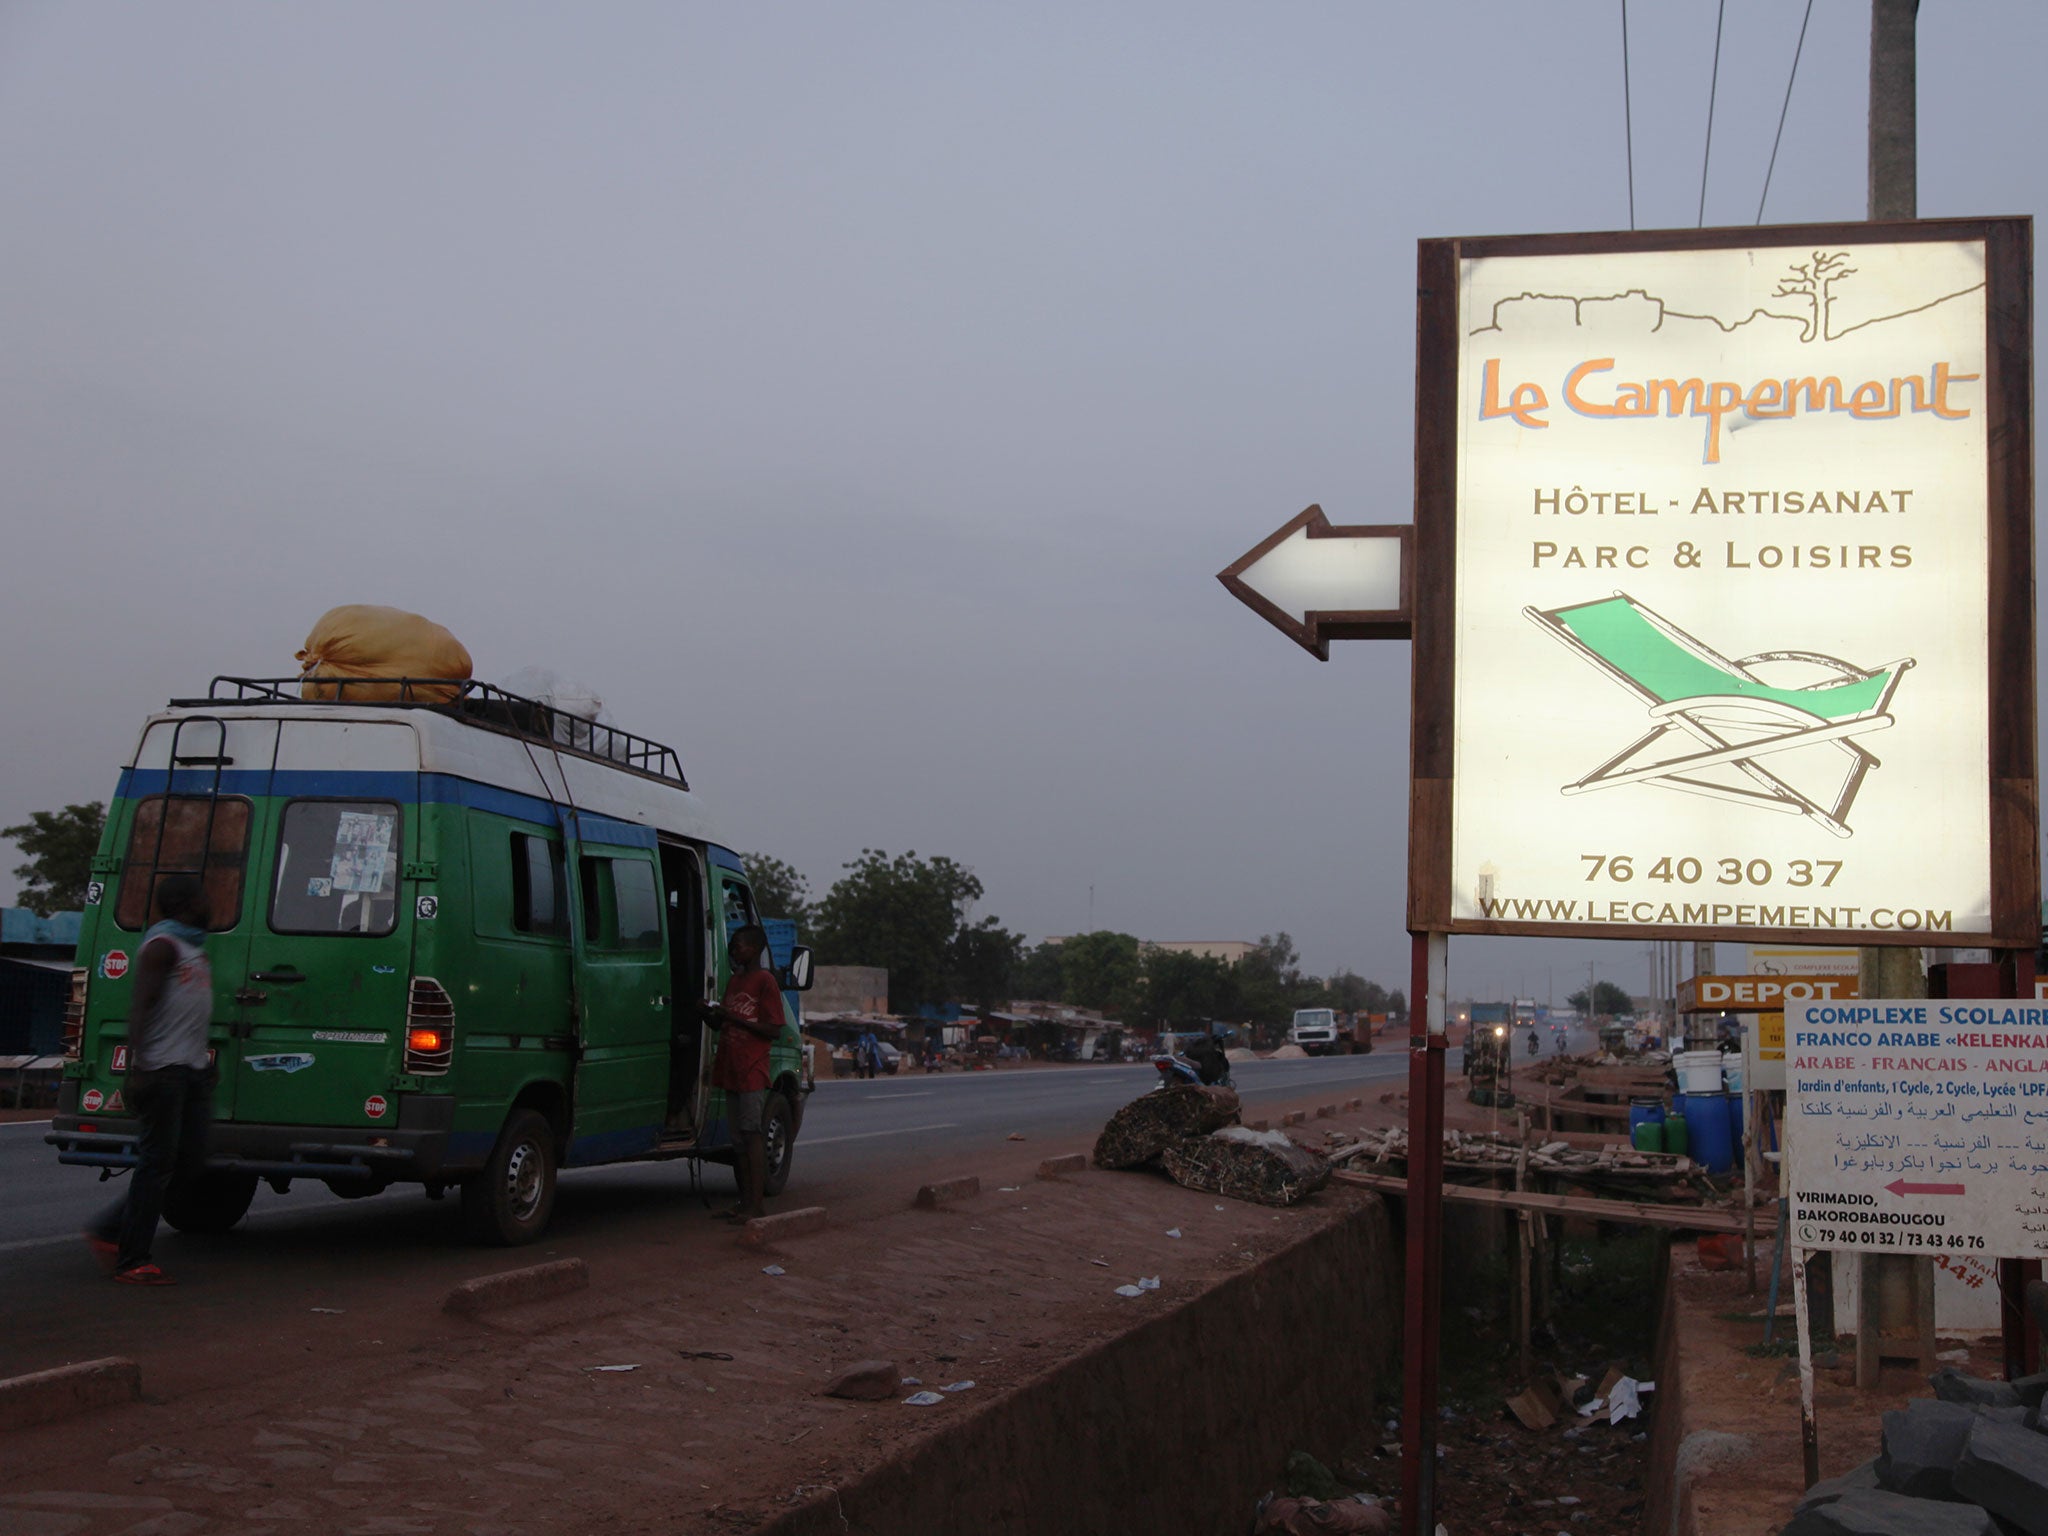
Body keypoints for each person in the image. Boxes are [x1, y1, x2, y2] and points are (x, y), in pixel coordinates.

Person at [85, 873, 215, 1285]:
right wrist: (137, 1067)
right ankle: (132, 1258)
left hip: (191, 1069)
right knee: (156, 1164)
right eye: (203, 898)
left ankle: (109, 1228)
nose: (210, 904)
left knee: (190, 1160)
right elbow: (140, 1008)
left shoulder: (193, 946)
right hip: (162, 1070)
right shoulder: (162, 947)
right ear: (188, 903)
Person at [702, 924, 785, 1221]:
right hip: (731, 1066)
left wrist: (732, 1017)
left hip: (751, 1068)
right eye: (733, 946)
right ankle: (744, 1201)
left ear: (755, 948)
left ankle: (756, 1205)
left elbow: (773, 1029)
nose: (735, 951)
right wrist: (708, 1014)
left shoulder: (765, 981)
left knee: (752, 1135)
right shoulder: (735, 981)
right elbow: (724, 1023)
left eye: (740, 946)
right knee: (737, 1140)